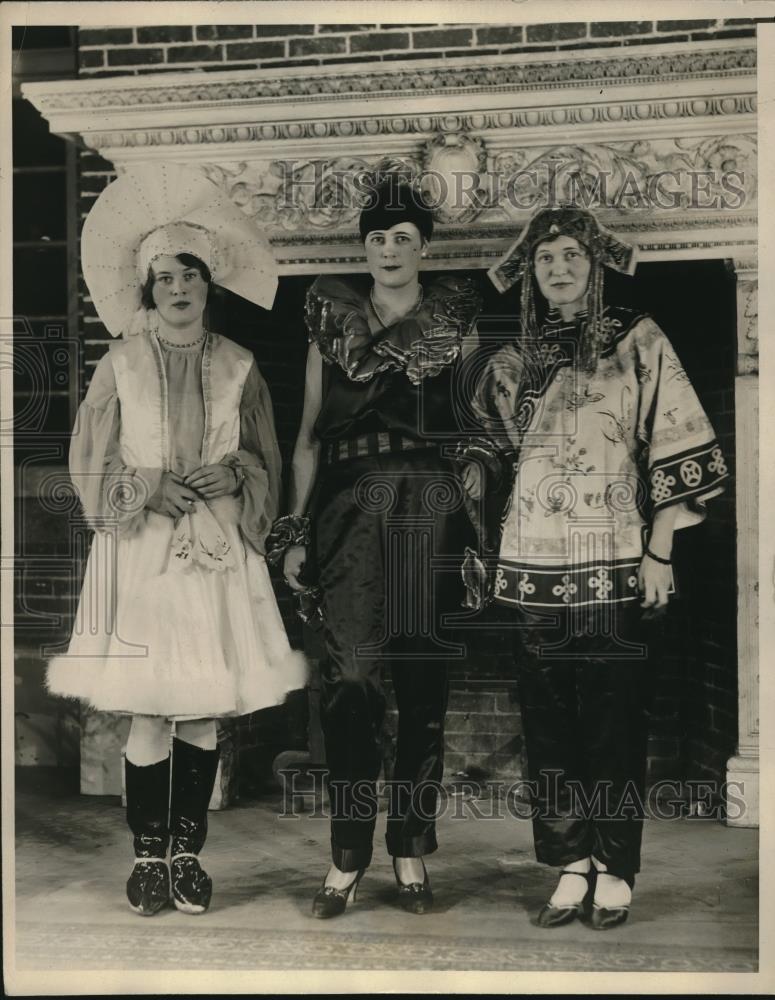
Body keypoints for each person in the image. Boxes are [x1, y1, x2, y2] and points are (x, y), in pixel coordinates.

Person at [47, 162, 307, 916]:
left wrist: (237, 474)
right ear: (148, 290)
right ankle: (147, 855)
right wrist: (144, 486)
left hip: (214, 550)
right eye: (164, 278)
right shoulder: (121, 364)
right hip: (144, 549)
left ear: (207, 283)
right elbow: (89, 462)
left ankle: (188, 852)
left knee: (198, 707)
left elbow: (265, 454)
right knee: (149, 706)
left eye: (190, 274)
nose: (179, 289)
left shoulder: (240, 365)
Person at [469, 205, 729, 929]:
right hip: (530, 565)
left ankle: (615, 865)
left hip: (614, 559)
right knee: (547, 722)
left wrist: (659, 550)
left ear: (593, 265)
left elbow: (678, 441)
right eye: (545, 257)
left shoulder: (637, 341)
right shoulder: (510, 352)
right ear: (531, 270)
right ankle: (570, 863)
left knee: (613, 720)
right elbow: (486, 460)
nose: (557, 268)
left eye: (570, 257)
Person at [268, 178, 480, 918]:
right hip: (348, 505)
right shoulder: (330, 322)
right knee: (351, 682)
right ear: (363, 249)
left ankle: (409, 847)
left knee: (421, 680)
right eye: (376, 239)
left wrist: (479, 530)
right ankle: (348, 854)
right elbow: (302, 441)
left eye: (401, 238)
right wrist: (295, 527)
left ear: (423, 247)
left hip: (431, 504)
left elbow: (476, 435)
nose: (388, 251)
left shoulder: (455, 323)